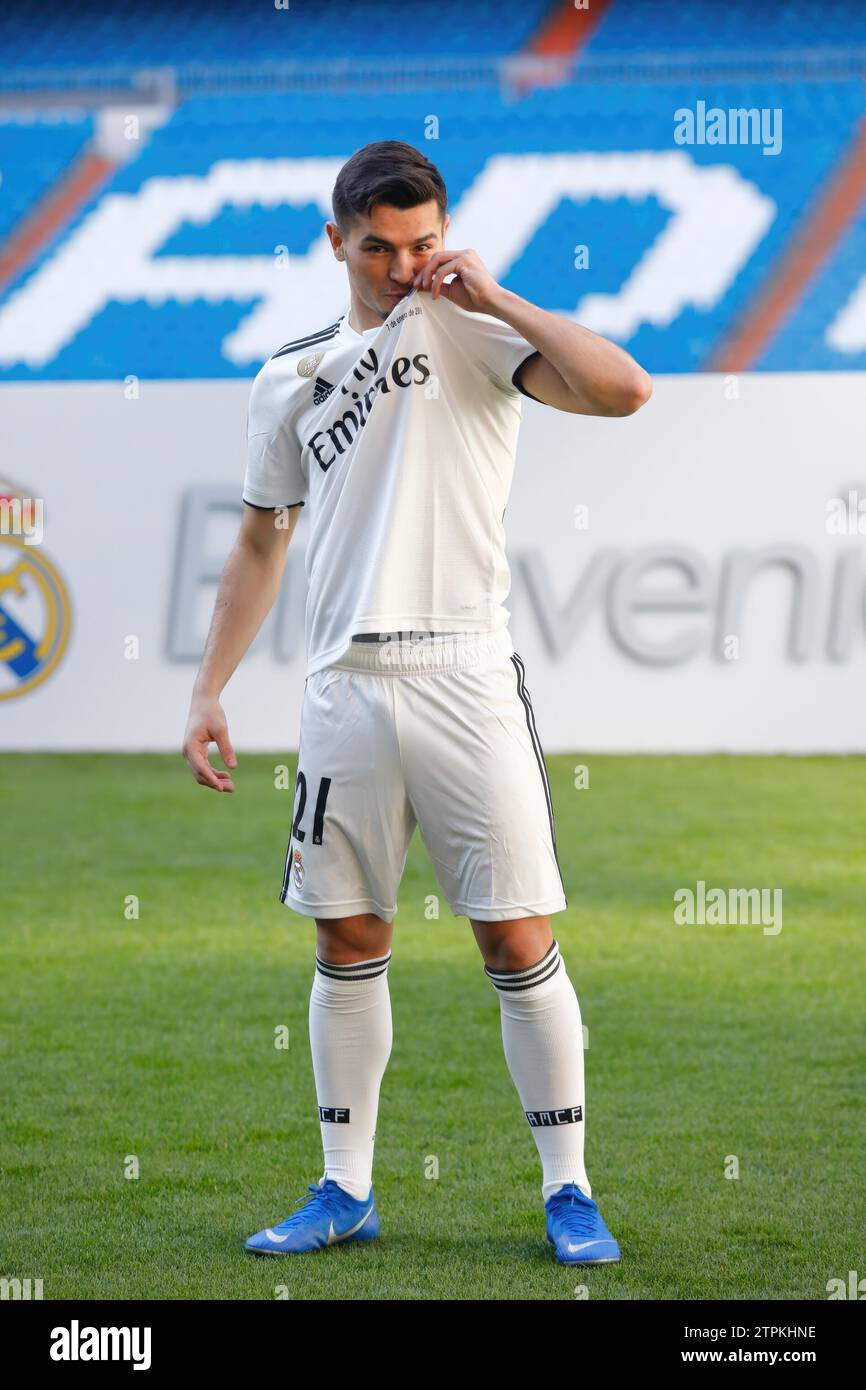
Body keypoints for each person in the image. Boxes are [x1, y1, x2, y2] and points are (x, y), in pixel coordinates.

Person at [182, 139, 652, 1266]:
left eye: (424, 244)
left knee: (512, 932)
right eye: (381, 247)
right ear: (335, 239)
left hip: (465, 674)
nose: (403, 267)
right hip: (343, 685)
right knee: (346, 934)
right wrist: (207, 688)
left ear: (445, 236)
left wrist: (492, 292)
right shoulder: (287, 377)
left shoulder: (479, 334)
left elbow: (623, 388)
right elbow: (260, 536)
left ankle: (567, 1187)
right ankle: (344, 1187)